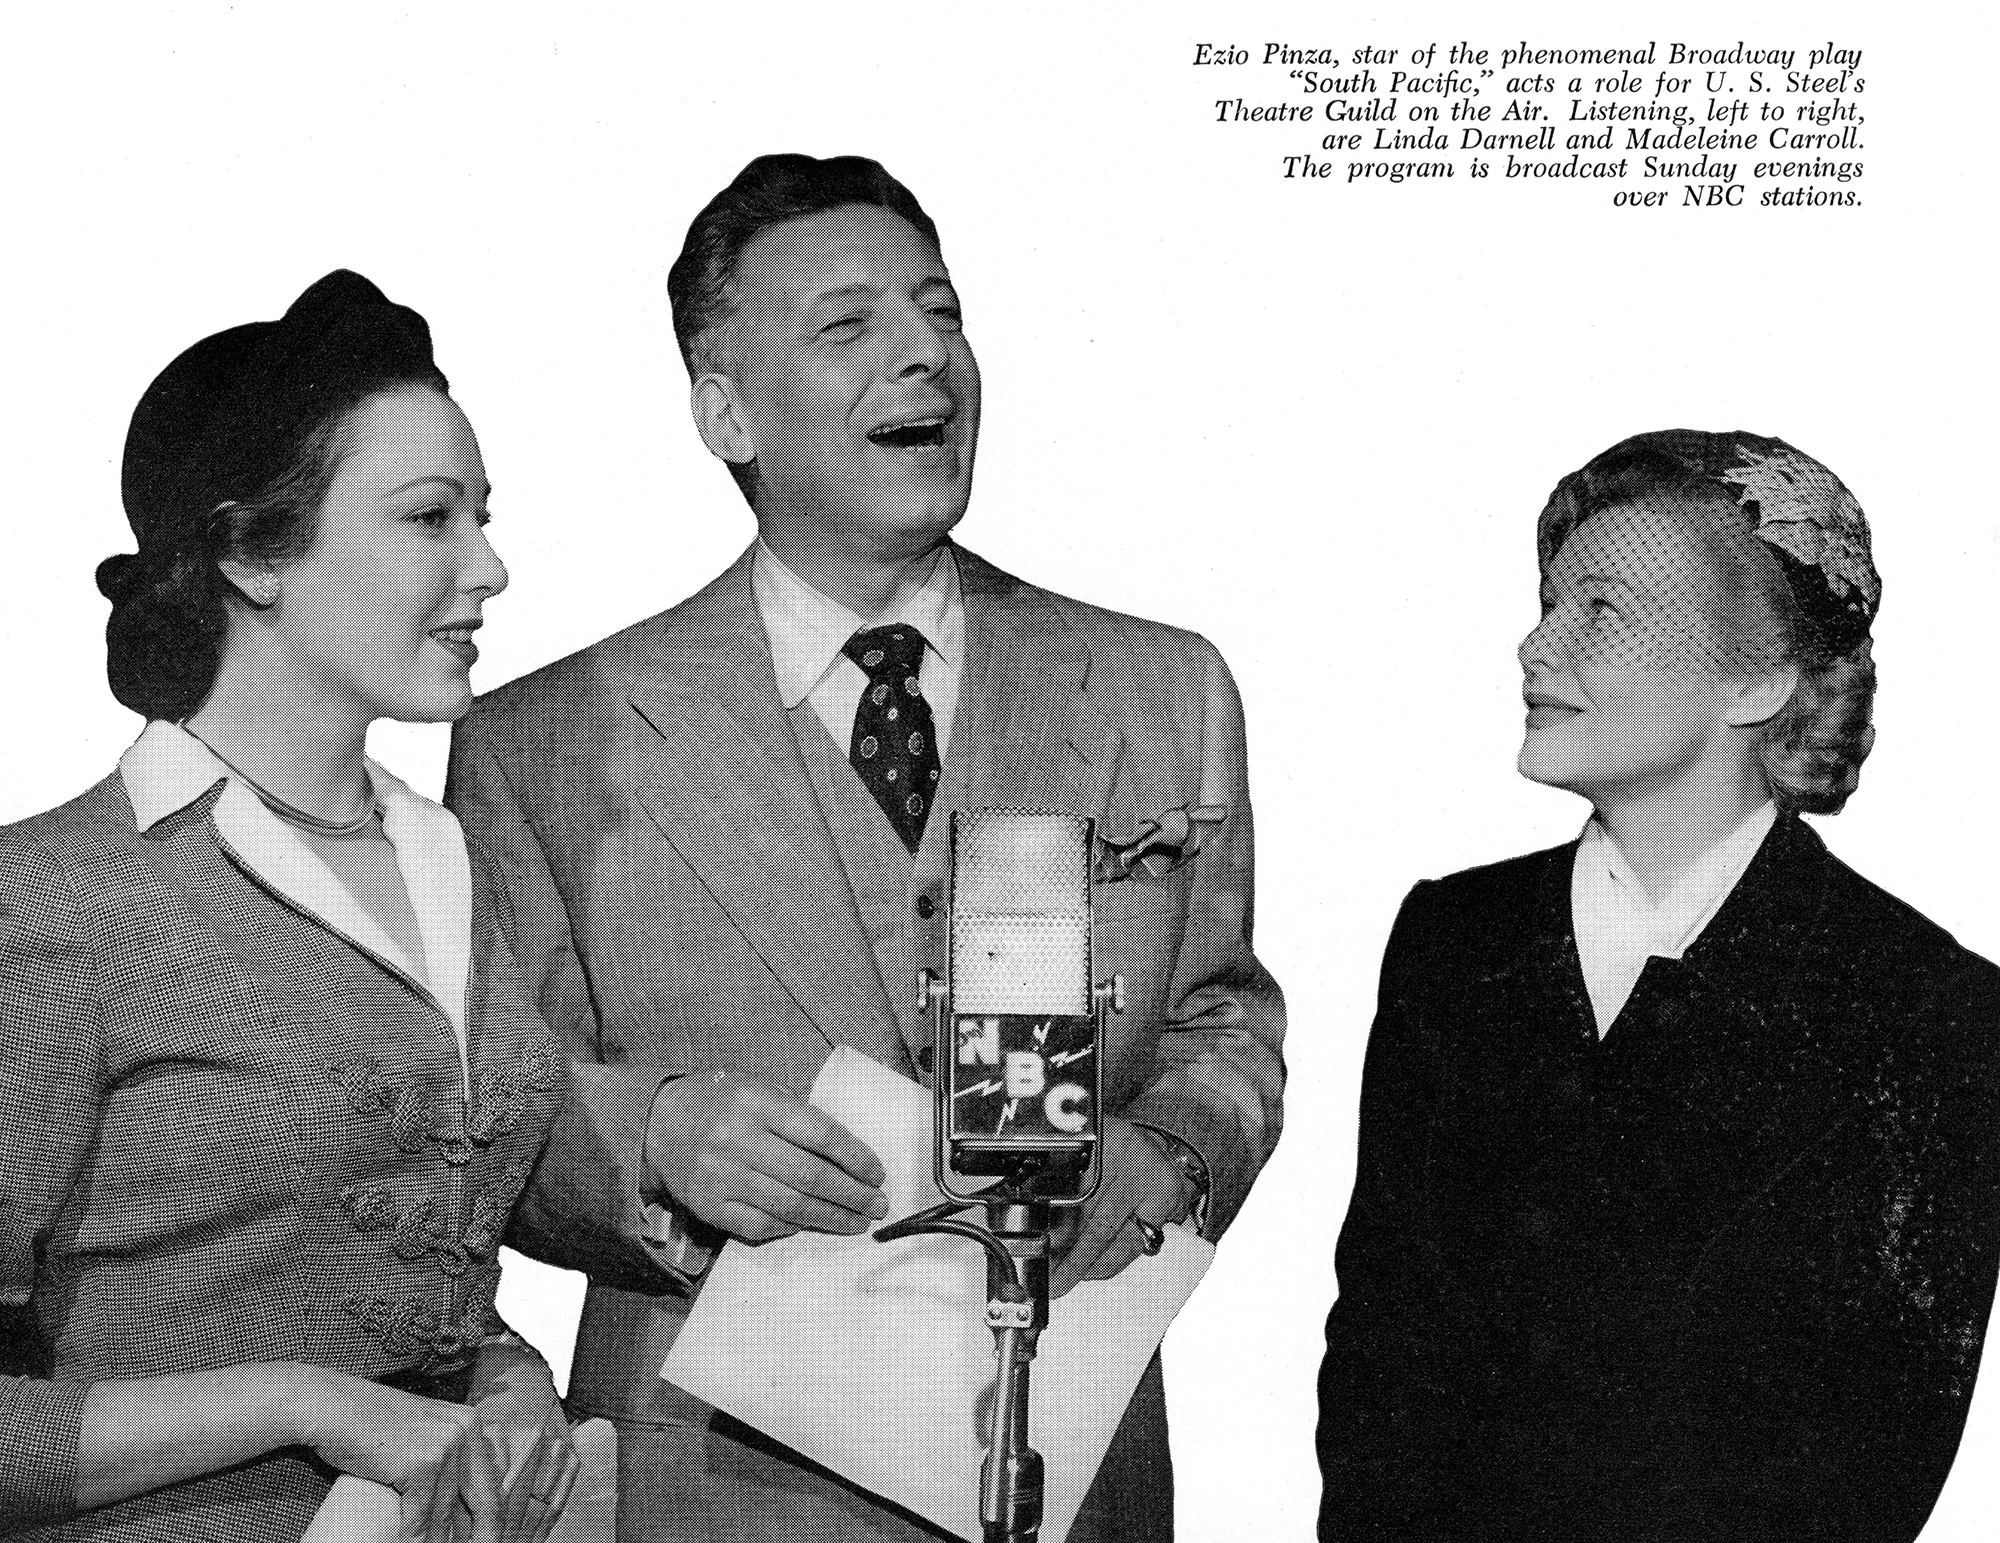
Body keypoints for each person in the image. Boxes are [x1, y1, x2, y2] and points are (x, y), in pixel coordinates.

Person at [446, 153, 1285, 1542]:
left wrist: (1167, 1155)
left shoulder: (1162, 687)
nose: (928, 356)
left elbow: (1225, 1030)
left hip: (1066, 1469)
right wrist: (649, 1138)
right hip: (716, 1484)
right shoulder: (543, 742)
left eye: (942, 311)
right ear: (725, 410)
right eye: (849, 325)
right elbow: (489, 1119)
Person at [1316, 429, 2000, 1542]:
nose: (1533, 643)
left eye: (1601, 610)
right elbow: (1381, 1358)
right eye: (1546, 601)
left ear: (1758, 679)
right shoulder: (1449, 940)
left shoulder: (1928, 1011)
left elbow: (1875, 1454)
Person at [0, 272, 580, 1542]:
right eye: (430, 517)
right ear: (251, 553)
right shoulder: (50, 903)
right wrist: (300, 1403)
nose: (488, 565)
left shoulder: (446, 859)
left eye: (481, 516)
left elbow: (380, 1247)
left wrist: (502, 1369)